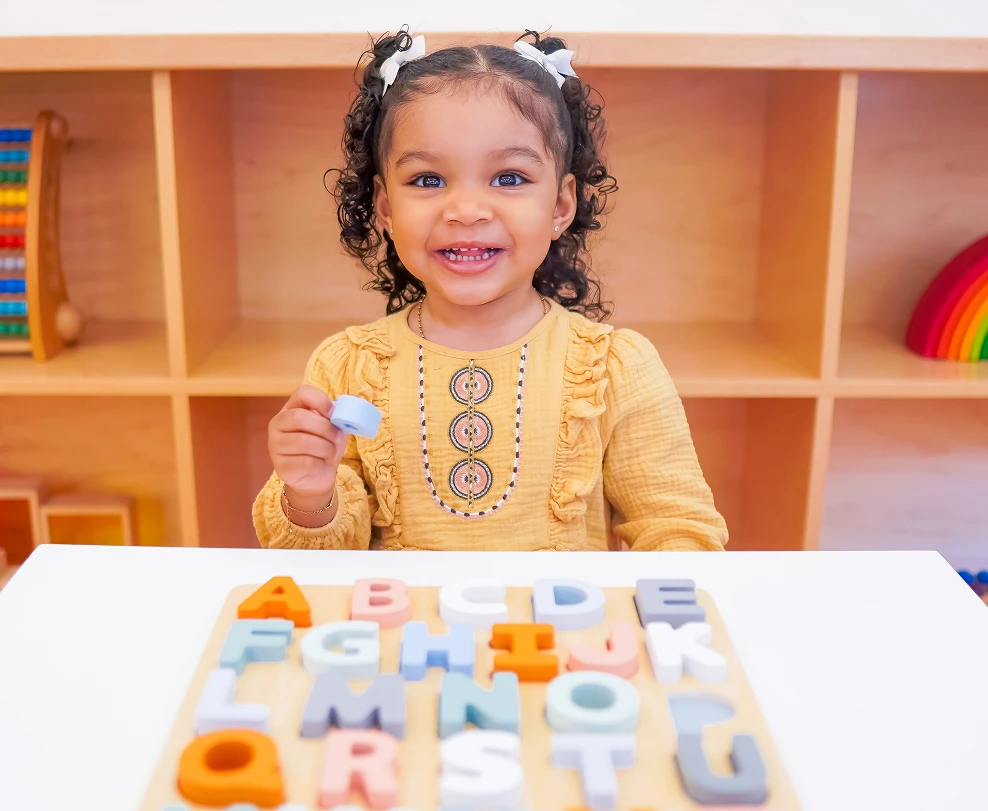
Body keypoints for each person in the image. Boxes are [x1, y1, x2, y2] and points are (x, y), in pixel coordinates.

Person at [252, 27, 728, 552]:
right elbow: (327, 559)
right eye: (428, 180)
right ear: (386, 209)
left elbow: (679, 530)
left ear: (561, 206)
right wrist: (309, 491)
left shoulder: (616, 368)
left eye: (509, 178)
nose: (467, 210)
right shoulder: (347, 366)